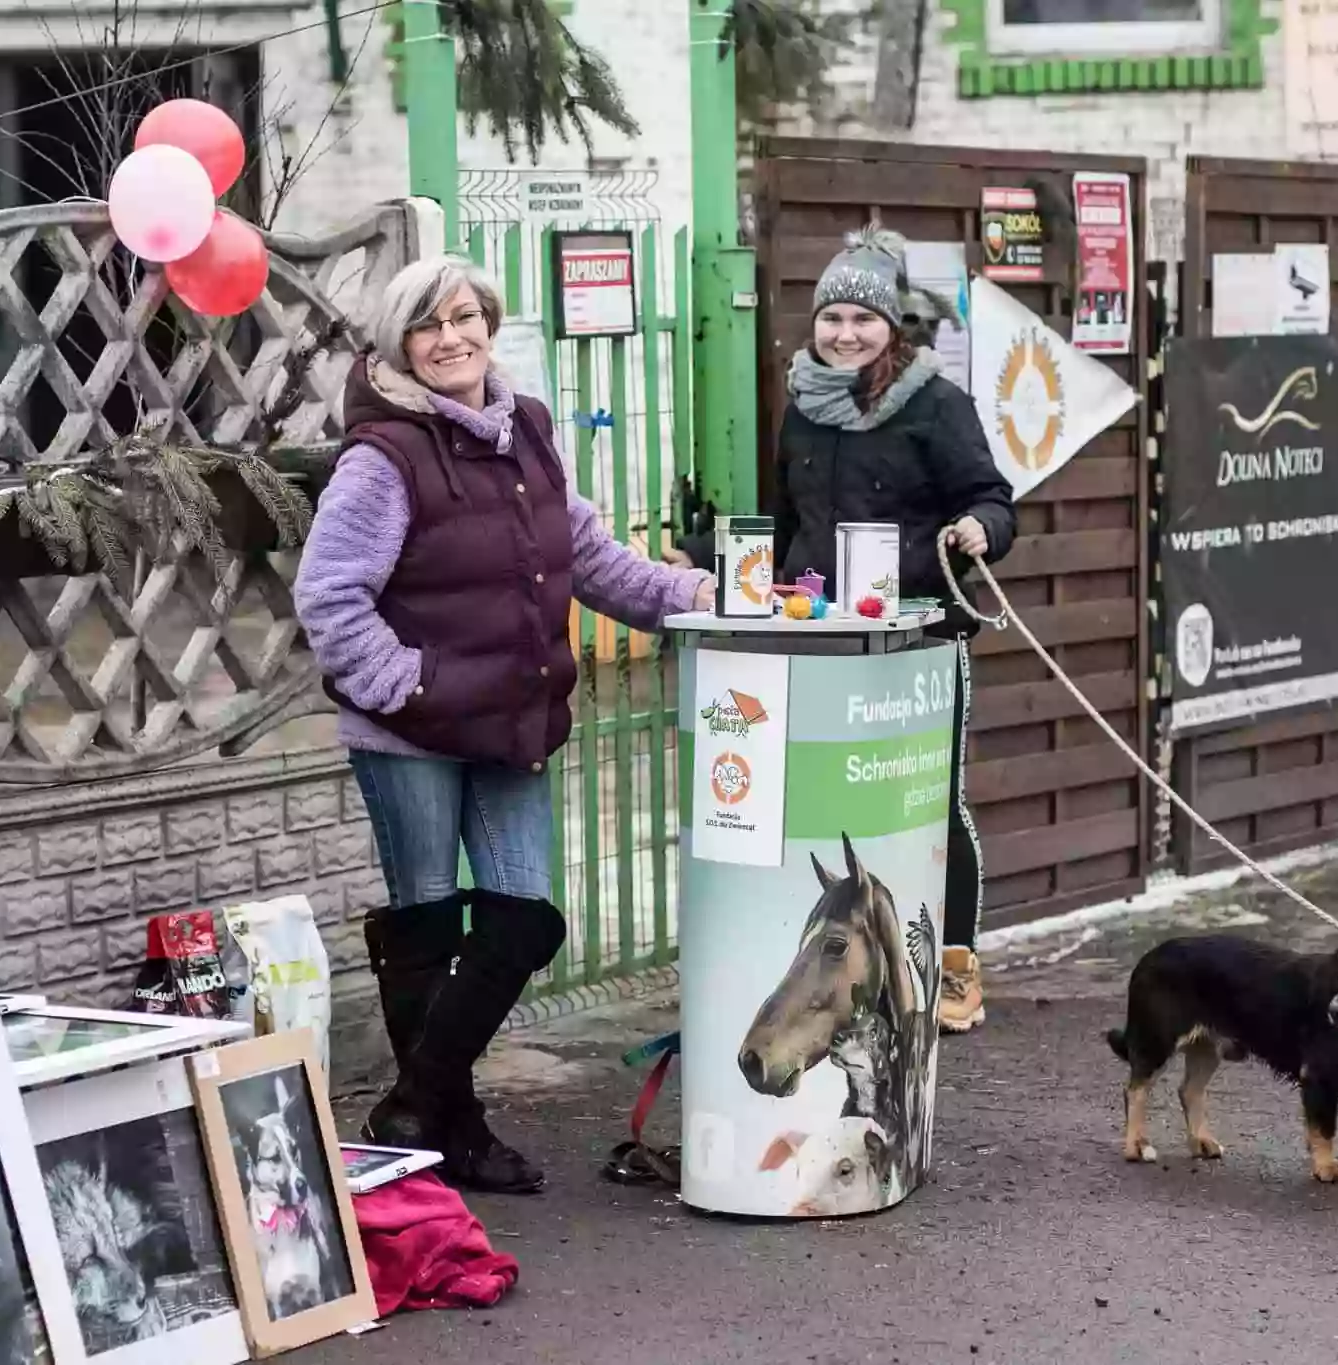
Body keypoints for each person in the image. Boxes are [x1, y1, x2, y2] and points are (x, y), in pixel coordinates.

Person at [294, 255, 714, 1194]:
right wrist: (404, 683)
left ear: (491, 323)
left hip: (511, 718)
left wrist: (691, 595)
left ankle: (410, 1105)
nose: (451, 338)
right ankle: (458, 1131)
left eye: (466, 317)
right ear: (401, 345)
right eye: (427, 326)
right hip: (409, 729)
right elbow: (328, 596)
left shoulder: (527, 430)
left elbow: (589, 556)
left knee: (523, 919)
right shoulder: (384, 456)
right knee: (427, 925)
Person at [668, 228, 1015, 1035]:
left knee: (933, 802)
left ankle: (956, 963)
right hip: (817, 637)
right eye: (833, 319)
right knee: (831, 810)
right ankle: (837, 974)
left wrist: (977, 528)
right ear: (815, 325)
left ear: (891, 326)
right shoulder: (804, 405)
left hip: (920, 636)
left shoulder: (936, 403)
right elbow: (787, 523)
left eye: (863, 319)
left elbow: (995, 498)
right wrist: (698, 555)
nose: (846, 333)